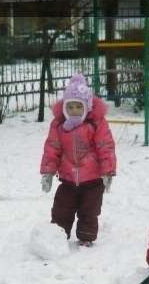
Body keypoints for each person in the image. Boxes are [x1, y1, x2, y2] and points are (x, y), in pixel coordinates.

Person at [39, 73, 116, 247]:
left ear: (87, 107)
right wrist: (48, 172)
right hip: (67, 179)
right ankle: (58, 235)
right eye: (70, 107)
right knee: (61, 209)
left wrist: (107, 171)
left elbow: (106, 146)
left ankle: (86, 237)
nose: (74, 111)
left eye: (78, 107)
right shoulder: (59, 126)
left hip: (93, 179)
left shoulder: (96, 124)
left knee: (89, 210)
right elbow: (52, 148)